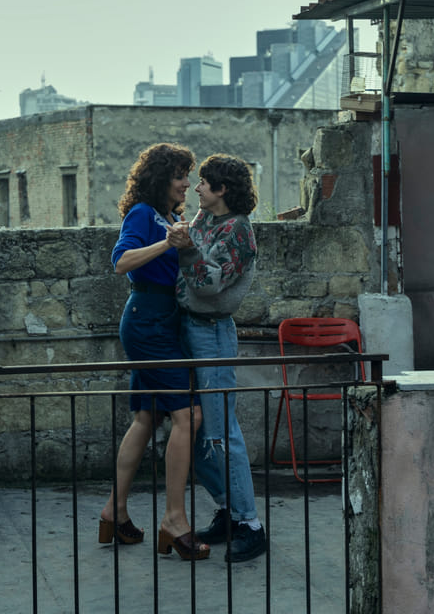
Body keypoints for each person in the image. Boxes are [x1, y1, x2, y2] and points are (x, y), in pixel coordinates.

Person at [99, 142, 210, 561]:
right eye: (180, 176)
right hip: (148, 321)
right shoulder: (144, 214)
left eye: (188, 176)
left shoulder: (170, 217)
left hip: (160, 321)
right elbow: (121, 261)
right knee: (188, 416)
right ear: (161, 178)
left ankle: (114, 511)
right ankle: (175, 520)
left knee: (146, 418)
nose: (186, 184)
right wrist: (167, 243)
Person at [166, 153, 268, 563]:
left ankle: (250, 525)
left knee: (220, 433)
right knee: (195, 431)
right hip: (189, 329)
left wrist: (187, 249)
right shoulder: (205, 219)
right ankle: (229, 510)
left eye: (204, 183)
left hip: (211, 334)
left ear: (222, 189)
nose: (197, 188)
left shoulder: (238, 231)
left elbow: (209, 283)